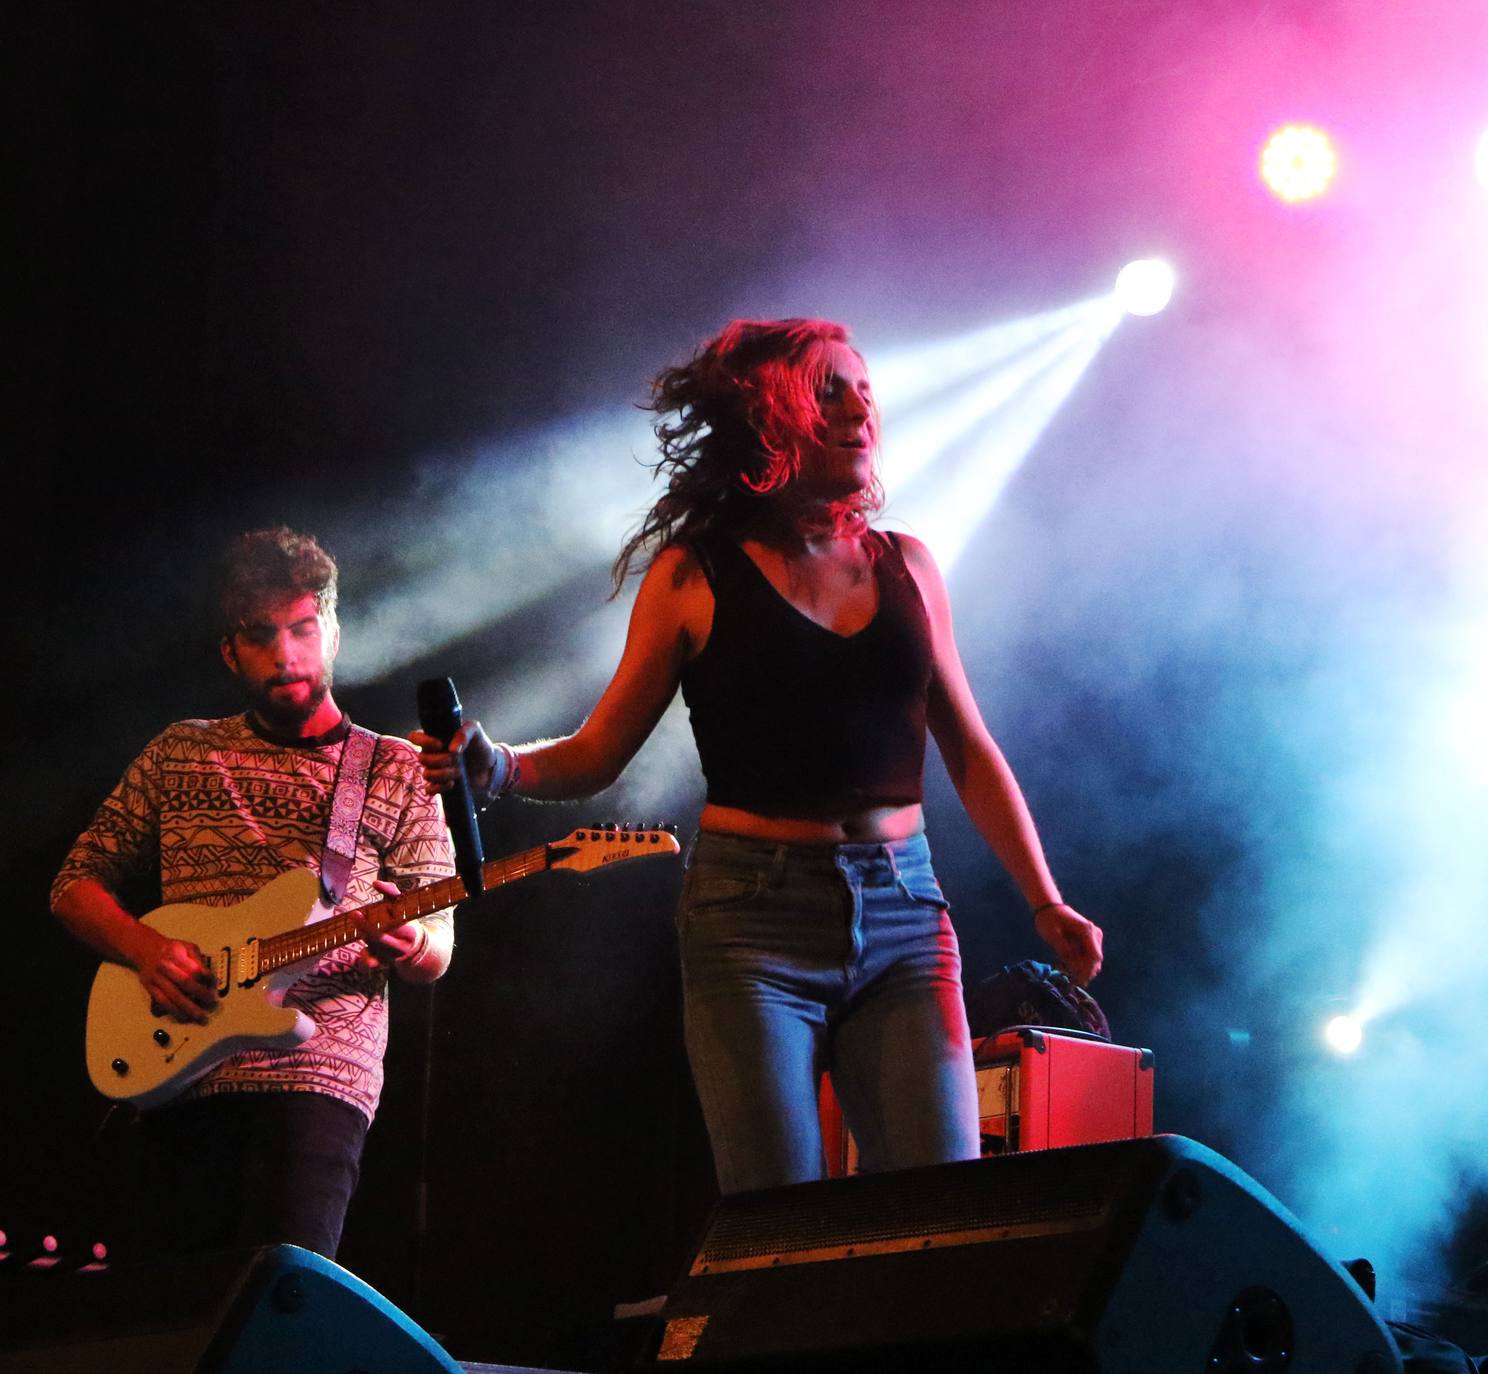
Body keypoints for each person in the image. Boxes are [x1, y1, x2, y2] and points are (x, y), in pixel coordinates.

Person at [415, 318, 1104, 1193]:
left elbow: (968, 747)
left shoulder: (909, 566)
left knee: (941, 1206)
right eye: (829, 390)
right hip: (752, 926)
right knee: (777, 1217)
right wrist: (497, 766)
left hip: (904, 915)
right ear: (769, 419)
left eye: (864, 388)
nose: (859, 406)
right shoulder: (693, 575)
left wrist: (1045, 901)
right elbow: (596, 755)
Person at [51, 527, 456, 1258]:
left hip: (319, 1066)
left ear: (331, 631)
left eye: (303, 629)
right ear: (230, 651)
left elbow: (439, 946)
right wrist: (144, 949)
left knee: (276, 1292)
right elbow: (74, 884)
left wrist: (415, 943)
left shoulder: (394, 769)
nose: (286, 653)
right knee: (173, 1315)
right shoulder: (183, 750)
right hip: (176, 1063)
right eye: (262, 635)